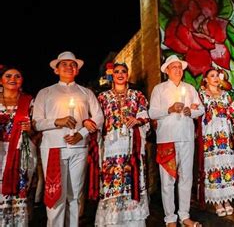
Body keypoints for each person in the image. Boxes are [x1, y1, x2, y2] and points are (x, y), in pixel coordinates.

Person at [33, 51, 104, 227]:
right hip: (53, 148)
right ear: (56, 70)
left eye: (73, 65)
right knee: (56, 193)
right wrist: (58, 121)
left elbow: (99, 117)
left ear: (77, 71)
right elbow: (37, 123)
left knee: (74, 194)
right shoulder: (45, 92)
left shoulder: (85, 92)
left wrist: (82, 133)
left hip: (79, 147)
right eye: (64, 64)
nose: (69, 67)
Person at [148, 55, 204, 227]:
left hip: (187, 138)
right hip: (167, 139)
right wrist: (169, 109)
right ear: (167, 71)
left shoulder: (190, 88)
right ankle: (170, 218)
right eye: (174, 67)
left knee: (186, 177)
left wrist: (191, 112)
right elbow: (152, 113)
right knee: (167, 180)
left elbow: (200, 108)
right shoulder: (159, 89)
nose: (178, 70)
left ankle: (184, 215)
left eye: (180, 67)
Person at [95, 63, 150, 226]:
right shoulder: (103, 97)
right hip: (111, 145)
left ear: (128, 74)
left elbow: (145, 115)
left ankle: (134, 221)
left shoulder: (137, 95)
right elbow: (98, 120)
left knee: (132, 178)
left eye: (123, 72)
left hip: (132, 143)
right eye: (117, 72)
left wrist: (138, 120)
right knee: (112, 179)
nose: (120, 74)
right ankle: (113, 221)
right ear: (112, 75)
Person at [198, 68, 234, 217]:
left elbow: (233, 111)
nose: (215, 78)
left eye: (217, 76)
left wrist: (232, 110)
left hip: (225, 133)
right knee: (214, 164)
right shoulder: (202, 95)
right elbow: (198, 113)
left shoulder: (225, 95)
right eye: (212, 76)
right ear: (205, 80)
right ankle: (217, 201)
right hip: (210, 134)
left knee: (226, 162)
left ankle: (227, 199)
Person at [0, 66, 37, 226]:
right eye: (8, 75)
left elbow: (36, 128)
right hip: (0, 153)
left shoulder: (29, 101)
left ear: (22, 81)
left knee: (20, 192)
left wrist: (30, 128)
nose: (12, 79)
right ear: (1, 80)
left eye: (17, 76)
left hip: (20, 152)